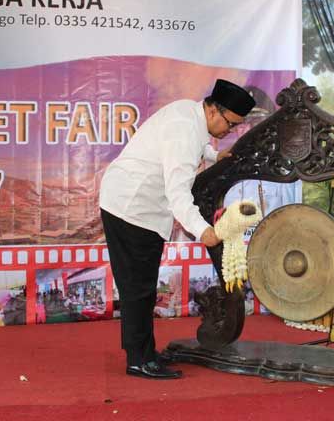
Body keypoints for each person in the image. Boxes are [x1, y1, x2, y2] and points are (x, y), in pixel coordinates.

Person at [99, 79, 255, 380]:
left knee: (141, 287)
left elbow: (192, 145)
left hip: (136, 204)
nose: (228, 132)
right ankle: (138, 360)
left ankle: (143, 352)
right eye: (230, 124)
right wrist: (204, 231)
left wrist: (213, 156)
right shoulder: (185, 131)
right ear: (214, 111)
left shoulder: (190, 112)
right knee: (138, 288)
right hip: (132, 208)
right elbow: (179, 195)